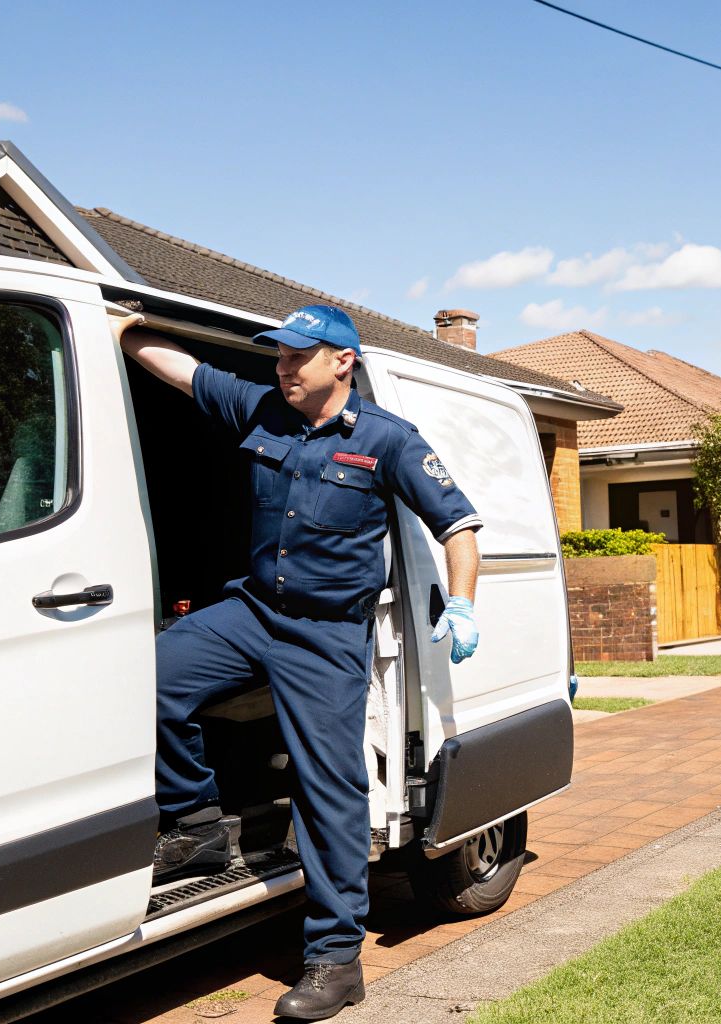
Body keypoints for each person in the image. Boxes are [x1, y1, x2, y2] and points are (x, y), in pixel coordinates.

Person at [114, 304, 482, 1020]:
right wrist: (122, 332)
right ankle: (194, 825)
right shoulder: (263, 409)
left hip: (325, 634)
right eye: (279, 355)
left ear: (340, 361)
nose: (281, 367)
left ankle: (336, 960)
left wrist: (462, 604)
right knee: (150, 679)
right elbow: (185, 373)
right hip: (253, 611)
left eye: (296, 357)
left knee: (329, 790)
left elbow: (459, 526)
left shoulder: (387, 441)